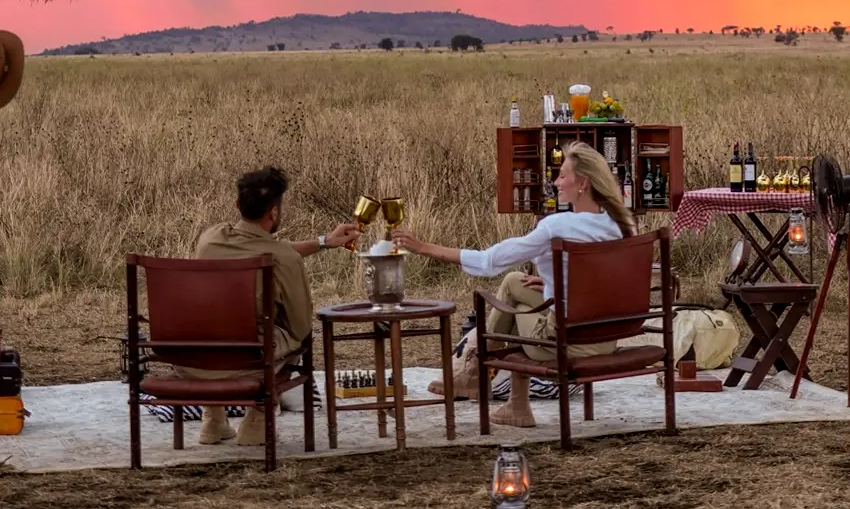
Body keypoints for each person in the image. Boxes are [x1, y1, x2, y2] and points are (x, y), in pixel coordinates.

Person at [391, 142, 635, 428]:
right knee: (515, 282)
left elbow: (489, 261)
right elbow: (605, 282)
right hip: (606, 336)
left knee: (514, 303)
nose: (556, 182)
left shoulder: (556, 227)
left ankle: (474, 372)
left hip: (567, 344)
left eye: (563, 176)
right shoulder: (620, 226)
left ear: (583, 183)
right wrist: (553, 280)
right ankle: (513, 403)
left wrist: (423, 247)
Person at [180, 166, 360, 447]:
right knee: (298, 335)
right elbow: (299, 322)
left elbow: (258, 245)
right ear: (274, 213)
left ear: (238, 204)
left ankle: (213, 419)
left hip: (192, 357)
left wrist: (324, 242)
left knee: (216, 323)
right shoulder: (283, 259)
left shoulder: (210, 238)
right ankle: (257, 419)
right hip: (248, 361)